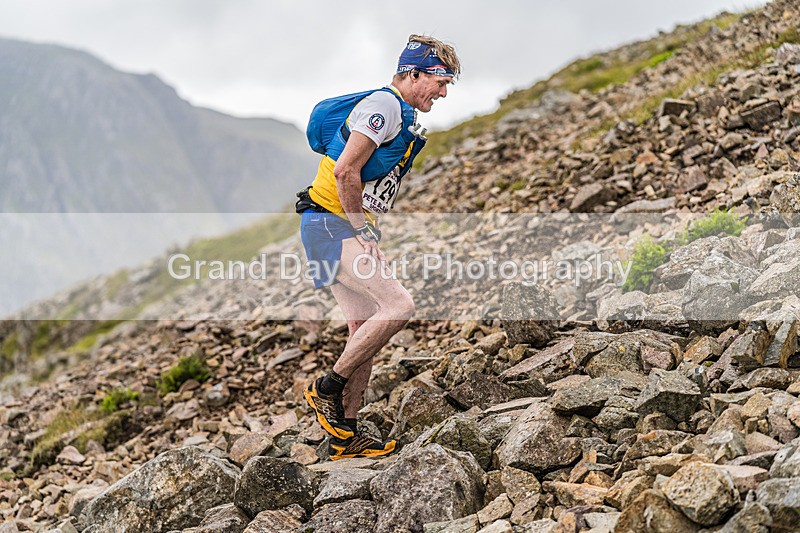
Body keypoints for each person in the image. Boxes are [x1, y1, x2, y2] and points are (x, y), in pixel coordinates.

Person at [297, 35, 461, 459]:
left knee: (363, 327)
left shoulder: (397, 110)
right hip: (332, 224)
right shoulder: (384, 106)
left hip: (331, 223)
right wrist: (363, 231)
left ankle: (344, 436)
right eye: (440, 82)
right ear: (413, 74)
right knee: (399, 307)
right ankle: (326, 388)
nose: (443, 93)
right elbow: (347, 173)